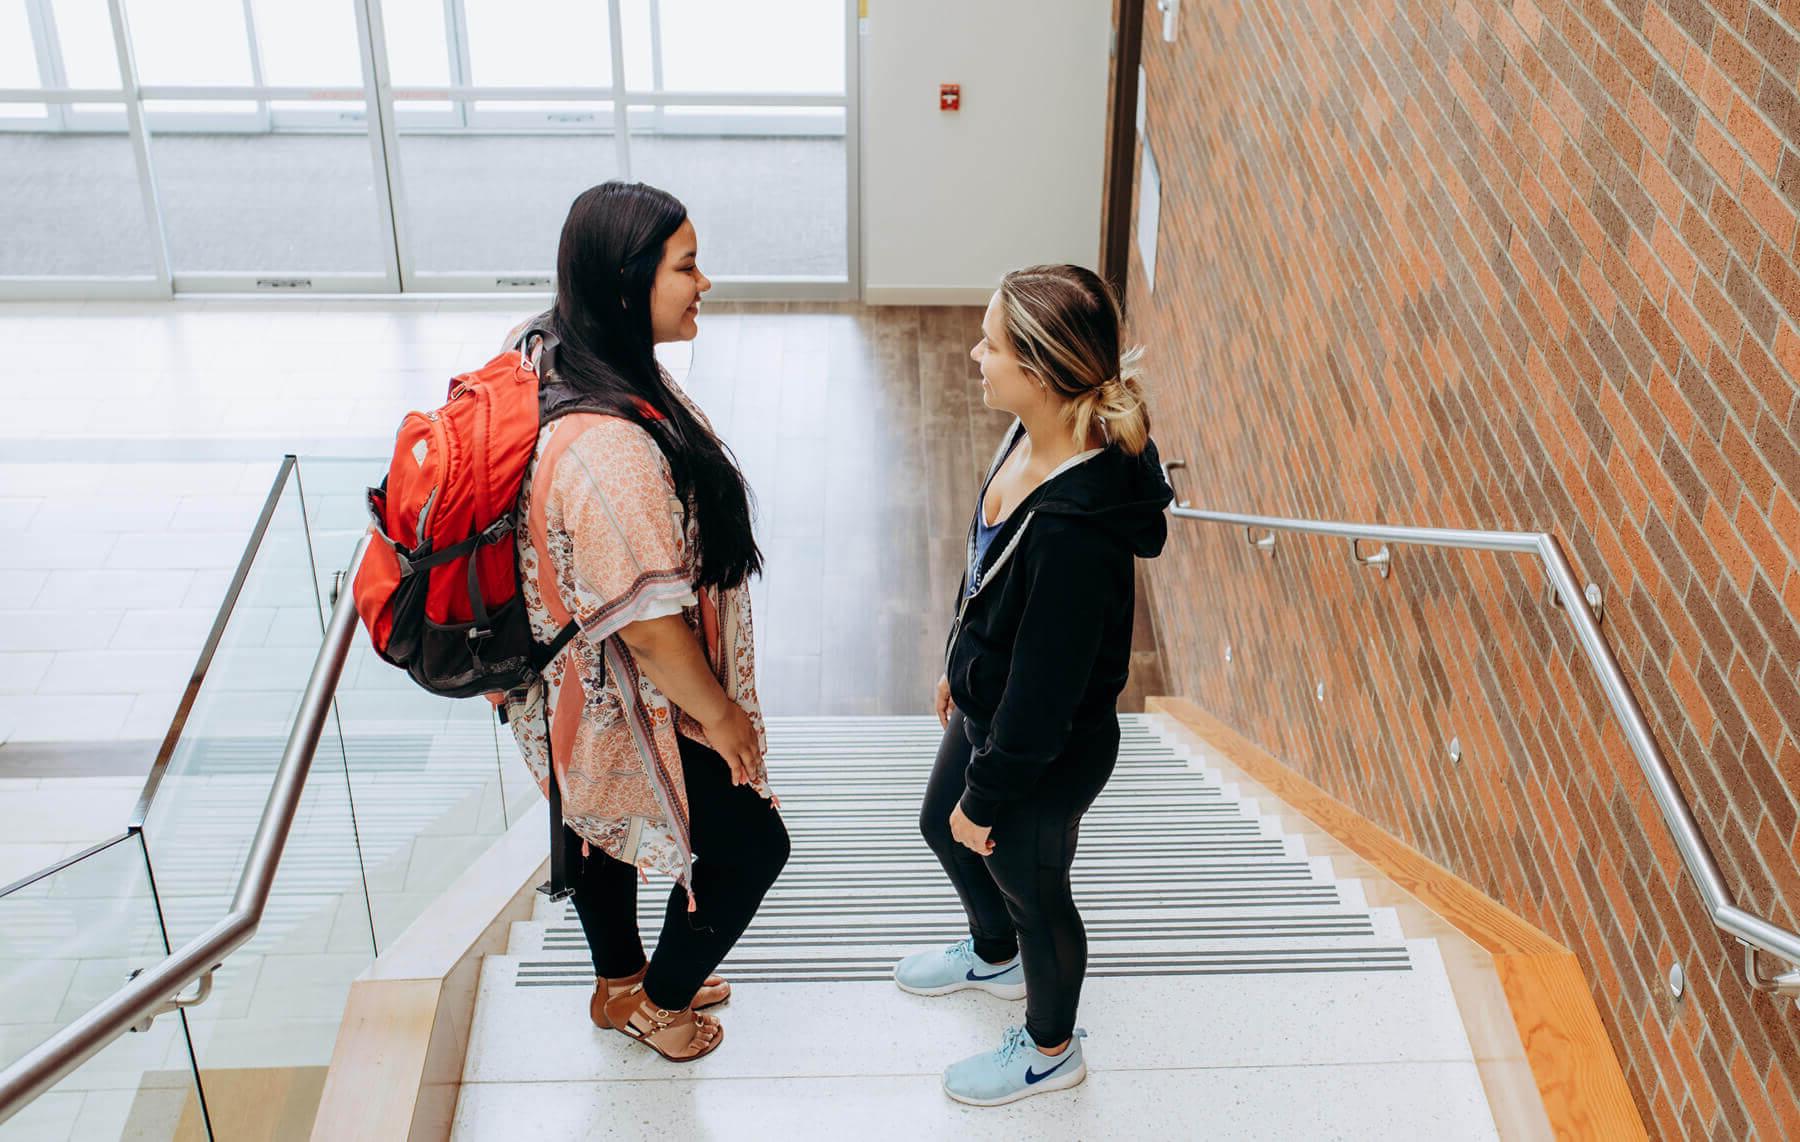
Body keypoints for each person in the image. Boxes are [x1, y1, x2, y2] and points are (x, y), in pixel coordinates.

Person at [501, 181, 788, 1064]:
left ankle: (617, 980)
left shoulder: (553, 349)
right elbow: (653, 631)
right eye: (687, 265)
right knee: (750, 847)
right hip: (626, 700)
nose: (706, 283)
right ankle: (653, 1003)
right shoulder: (610, 449)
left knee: (597, 824)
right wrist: (724, 718)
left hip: (562, 691)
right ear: (628, 284)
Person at [893, 264, 1173, 1105]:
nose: (975, 354)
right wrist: (956, 657)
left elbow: (1044, 701)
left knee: (1036, 891)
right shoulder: (1030, 434)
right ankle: (992, 952)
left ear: (1043, 373)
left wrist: (986, 797)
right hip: (990, 707)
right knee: (938, 831)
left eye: (992, 344)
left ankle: (1052, 1049)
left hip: (1041, 754)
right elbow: (986, 571)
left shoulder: (1073, 534)